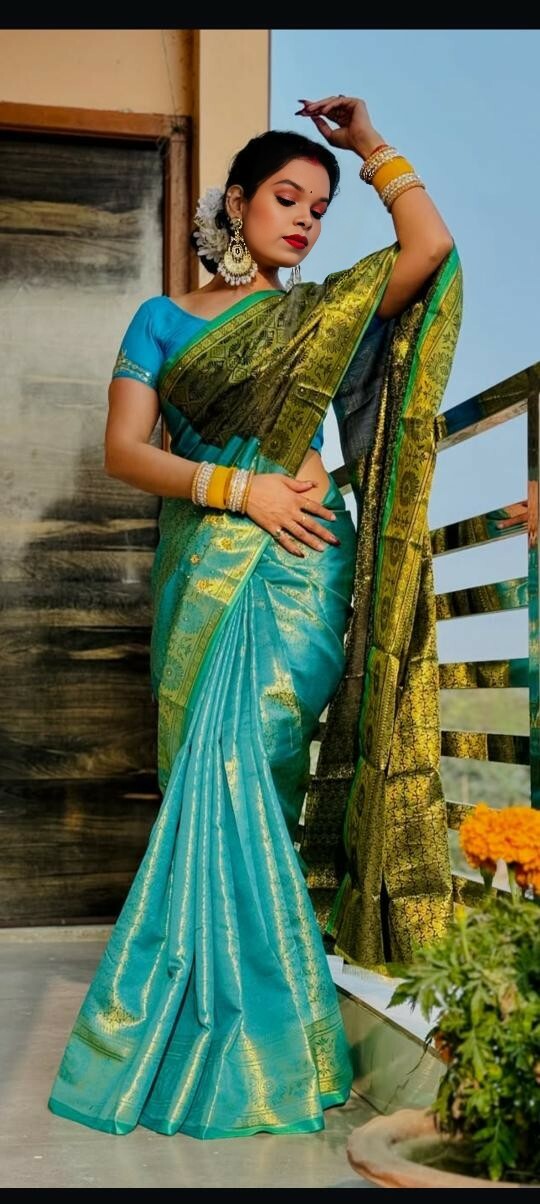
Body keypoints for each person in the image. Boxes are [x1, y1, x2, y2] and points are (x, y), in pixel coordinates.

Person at [48, 95, 462, 1139]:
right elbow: (125, 453)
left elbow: (428, 249)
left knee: (258, 775)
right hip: (207, 566)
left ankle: (266, 1025)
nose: (307, 220)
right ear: (236, 203)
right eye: (287, 197)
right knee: (212, 778)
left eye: (320, 207)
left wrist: (369, 145)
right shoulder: (162, 320)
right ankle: (245, 1027)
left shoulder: (320, 313)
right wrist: (243, 491)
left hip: (301, 573)